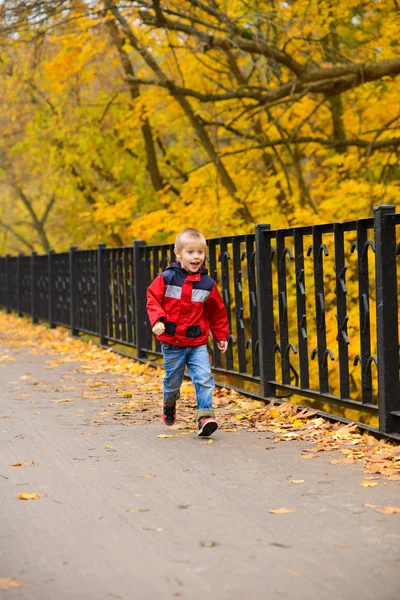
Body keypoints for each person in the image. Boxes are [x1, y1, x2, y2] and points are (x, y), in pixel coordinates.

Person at [146, 228, 230, 437]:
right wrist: (157, 320)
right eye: (190, 252)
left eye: (200, 253)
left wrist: (220, 335)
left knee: (203, 378)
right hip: (172, 342)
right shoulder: (166, 278)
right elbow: (152, 299)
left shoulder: (207, 284)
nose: (196, 257)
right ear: (178, 253)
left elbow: (217, 311)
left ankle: (205, 416)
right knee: (173, 380)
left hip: (197, 342)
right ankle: (169, 402)